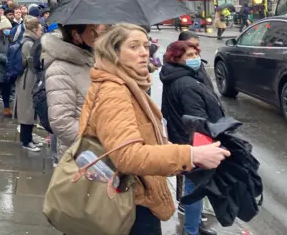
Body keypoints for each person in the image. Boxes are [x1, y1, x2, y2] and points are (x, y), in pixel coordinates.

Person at [80, 24, 231, 234]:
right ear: (113, 52)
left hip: (135, 194)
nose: (144, 52)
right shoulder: (115, 92)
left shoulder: (128, 85)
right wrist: (191, 154)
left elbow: (135, 138)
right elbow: (127, 156)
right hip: (131, 201)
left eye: (145, 45)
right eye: (133, 46)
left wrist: (167, 147)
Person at [160, 41, 225, 235]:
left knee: (195, 186)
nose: (195, 59)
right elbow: (198, 120)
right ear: (177, 58)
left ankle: (195, 226)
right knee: (195, 188)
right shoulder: (187, 84)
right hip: (195, 142)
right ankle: (191, 230)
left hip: (183, 138)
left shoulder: (175, 76)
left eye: (196, 54)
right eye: (189, 55)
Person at [44, 23, 107, 159]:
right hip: (83, 158)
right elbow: (61, 123)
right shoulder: (59, 70)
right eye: (92, 29)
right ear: (76, 35)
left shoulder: (95, 60)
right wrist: (96, 146)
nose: (98, 32)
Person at [15, 18, 45, 152]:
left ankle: (28, 138)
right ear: (34, 30)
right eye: (39, 29)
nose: (41, 32)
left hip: (29, 79)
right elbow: (32, 63)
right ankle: (25, 141)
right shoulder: (28, 43)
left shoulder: (31, 41)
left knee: (30, 110)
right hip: (27, 80)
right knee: (26, 110)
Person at [0, 16, 12, 116]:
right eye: (7, 29)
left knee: (6, 89)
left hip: (7, 68)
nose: (8, 30)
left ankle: (7, 107)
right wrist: (6, 59)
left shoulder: (8, 38)